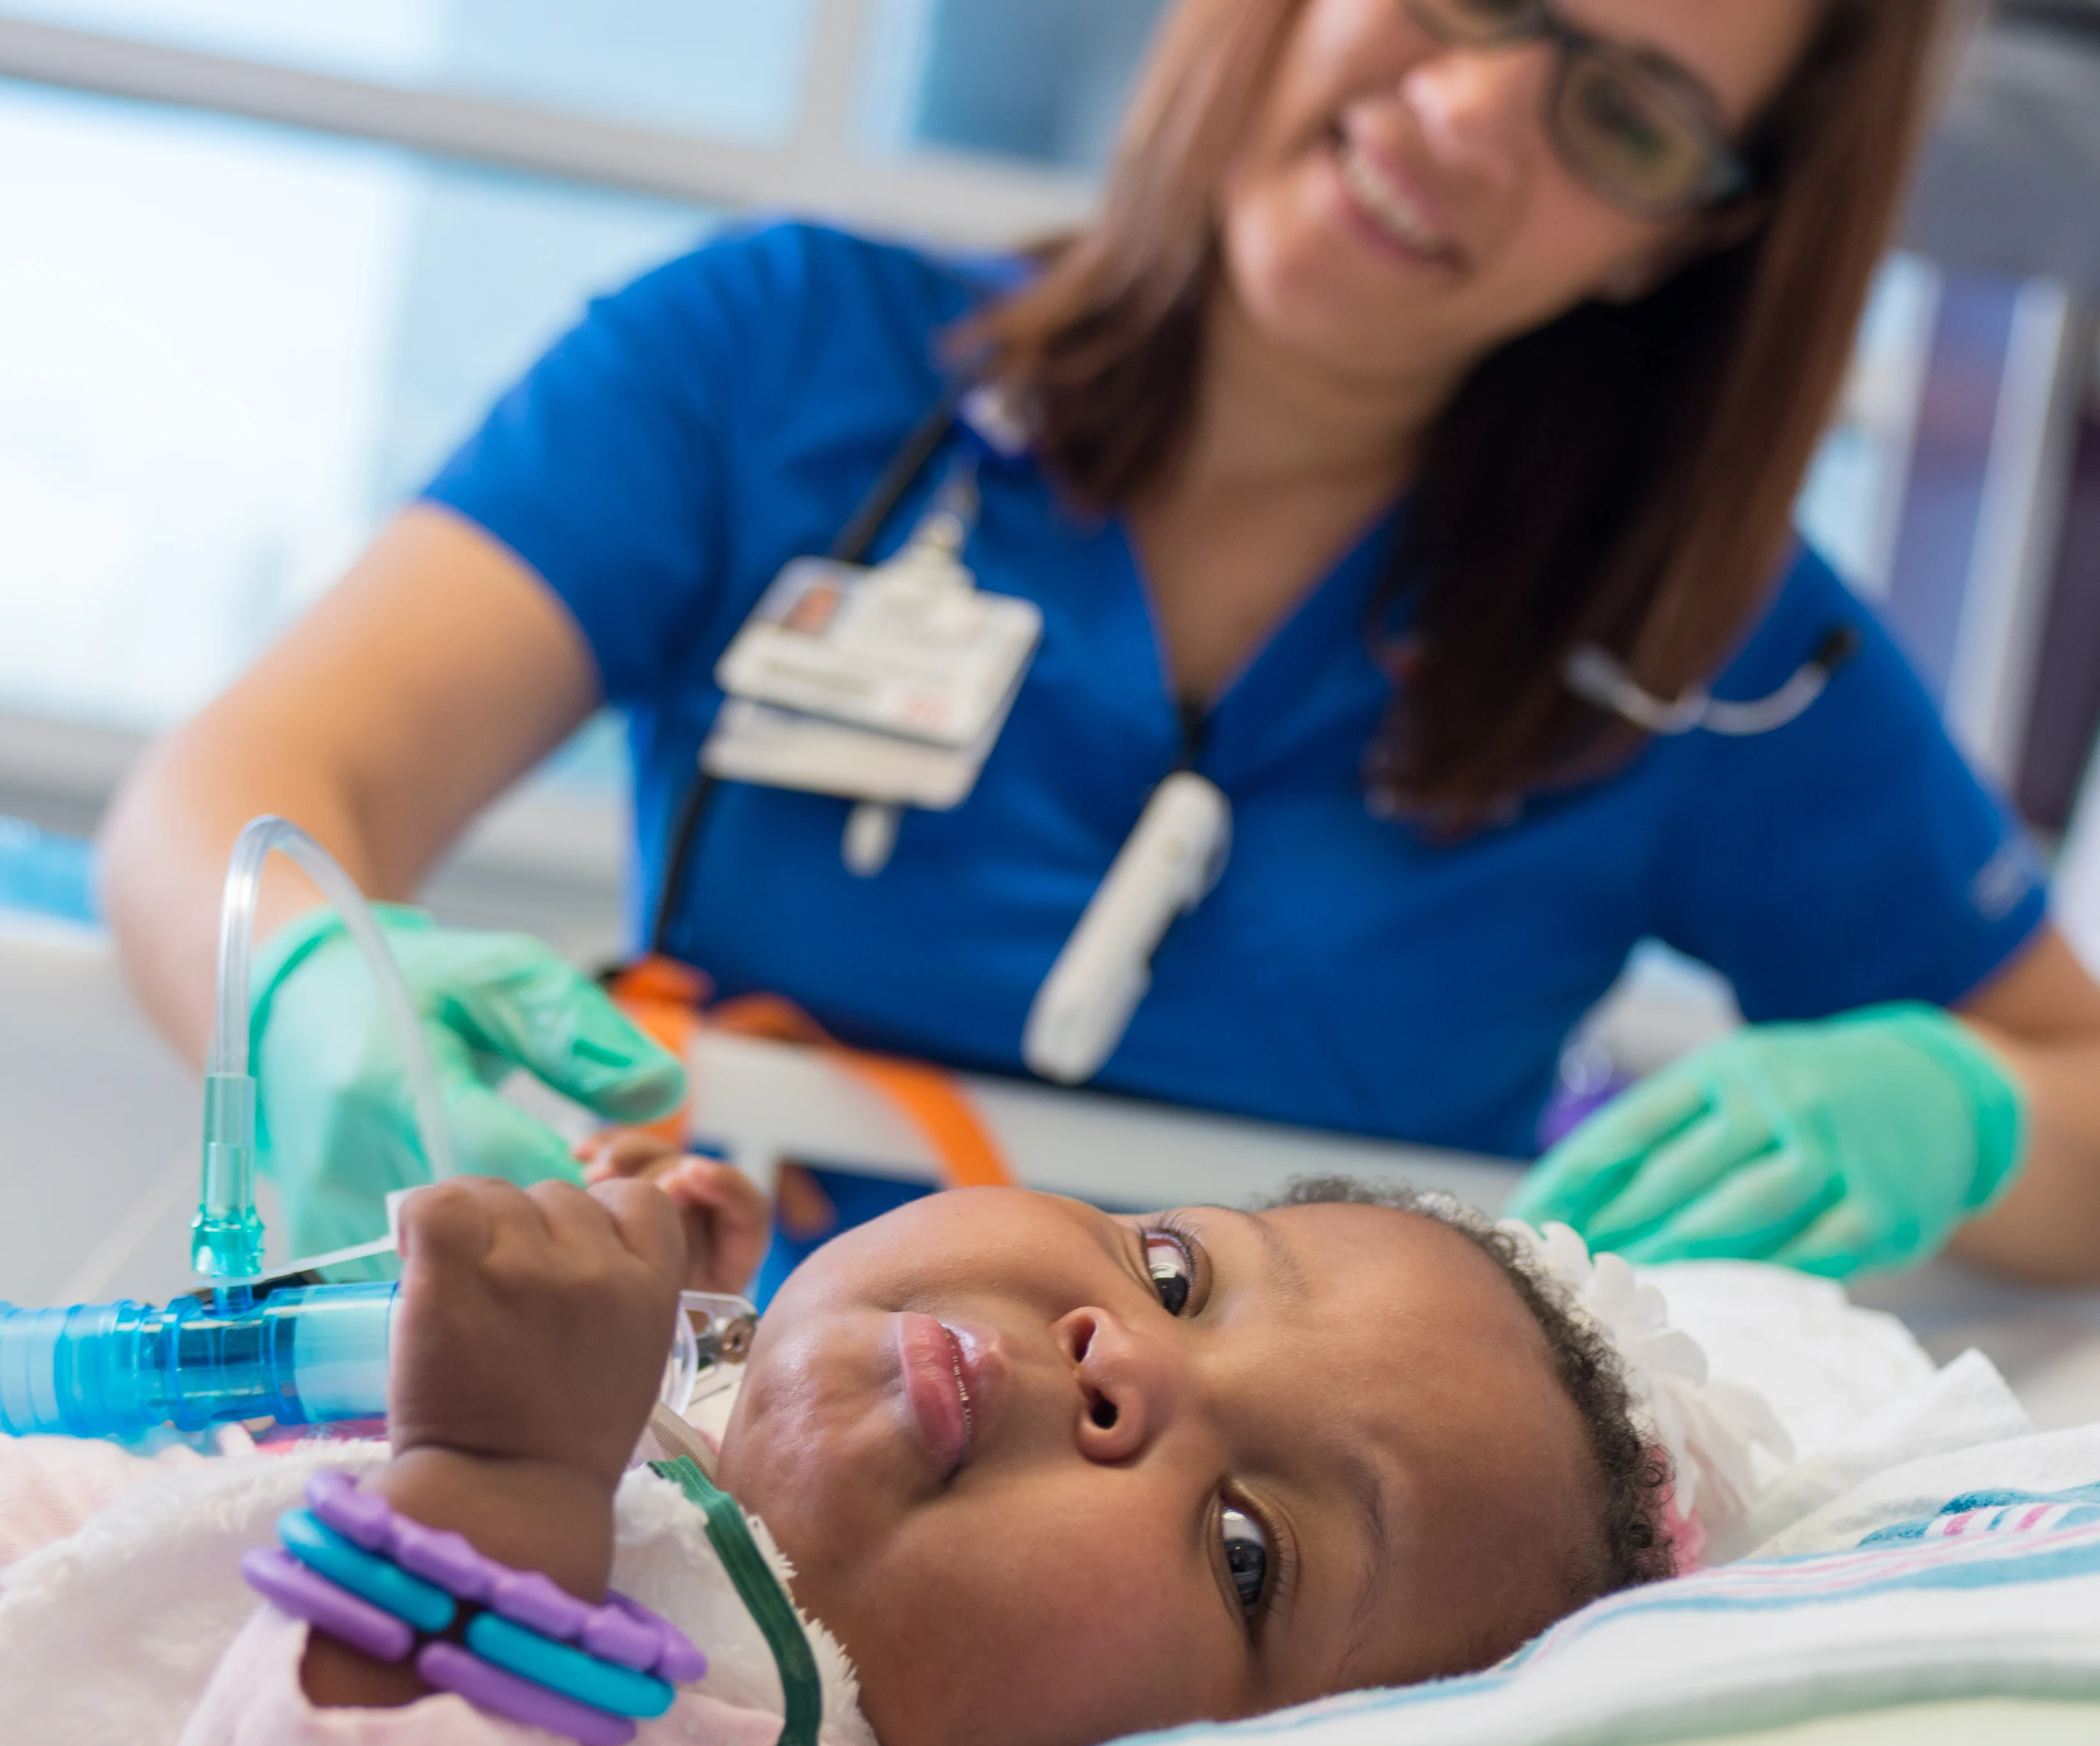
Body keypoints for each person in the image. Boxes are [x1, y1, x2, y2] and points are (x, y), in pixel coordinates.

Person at [99, 0, 2100, 1291]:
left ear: (1684, 236)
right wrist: (300, 995)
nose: (1476, 113)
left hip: (1249, 1613)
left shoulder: (1707, 644)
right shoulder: (766, 359)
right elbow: (229, 803)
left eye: (1629, 119)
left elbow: (2076, 1097)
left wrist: (1958, 1102)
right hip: (668, 1434)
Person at [100, 1159, 1665, 1746]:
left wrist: (497, 1485)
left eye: (1248, 1550)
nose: (1131, 1359)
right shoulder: (688, 1450)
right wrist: (648, 1342)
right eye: (1178, 1272)